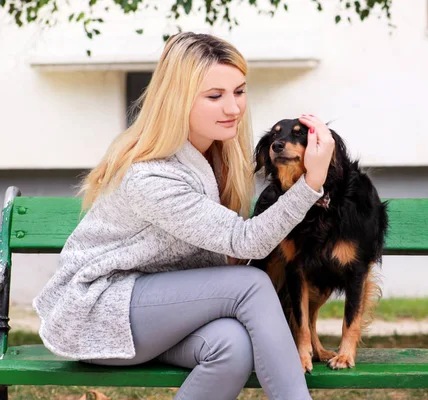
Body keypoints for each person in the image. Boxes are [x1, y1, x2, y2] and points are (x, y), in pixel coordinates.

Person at [32, 32, 335, 400]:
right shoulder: (151, 175)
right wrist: (311, 183)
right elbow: (246, 240)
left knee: (232, 347)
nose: (233, 108)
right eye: (214, 96)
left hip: (154, 315)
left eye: (238, 91)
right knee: (250, 287)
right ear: (177, 101)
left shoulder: (215, 158)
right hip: (101, 311)